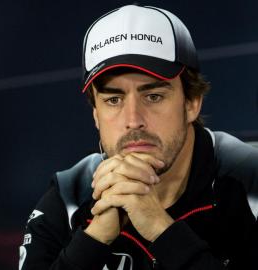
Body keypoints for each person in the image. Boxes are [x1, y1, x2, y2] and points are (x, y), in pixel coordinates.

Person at [19, 4, 258, 270]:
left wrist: (160, 228)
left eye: (153, 96)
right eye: (113, 99)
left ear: (192, 103)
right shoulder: (70, 198)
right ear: (96, 115)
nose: (133, 120)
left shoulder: (250, 182)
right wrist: (94, 240)